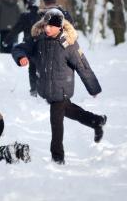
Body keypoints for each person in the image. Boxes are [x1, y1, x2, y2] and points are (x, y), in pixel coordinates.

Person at [11, 8, 107, 164]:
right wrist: (21, 57)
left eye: (52, 26)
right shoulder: (38, 40)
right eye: (46, 25)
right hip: (48, 89)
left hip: (62, 89)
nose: (48, 29)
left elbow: (83, 66)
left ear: (60, 27)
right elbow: (19, 48)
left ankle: (57, 158)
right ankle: (96, 121)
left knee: (56, 122)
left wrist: (93, 88)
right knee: (69, 111)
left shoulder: (68, 44)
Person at [3, 0, 41, 96]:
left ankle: (34, 90)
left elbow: (16, 29)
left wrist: (7, 40)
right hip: (41, 44)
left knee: (32, 67)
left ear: (28, 2)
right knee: (41, 67)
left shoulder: (25, 16)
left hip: (28, 45)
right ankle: (42, 89)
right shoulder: (42, 15)